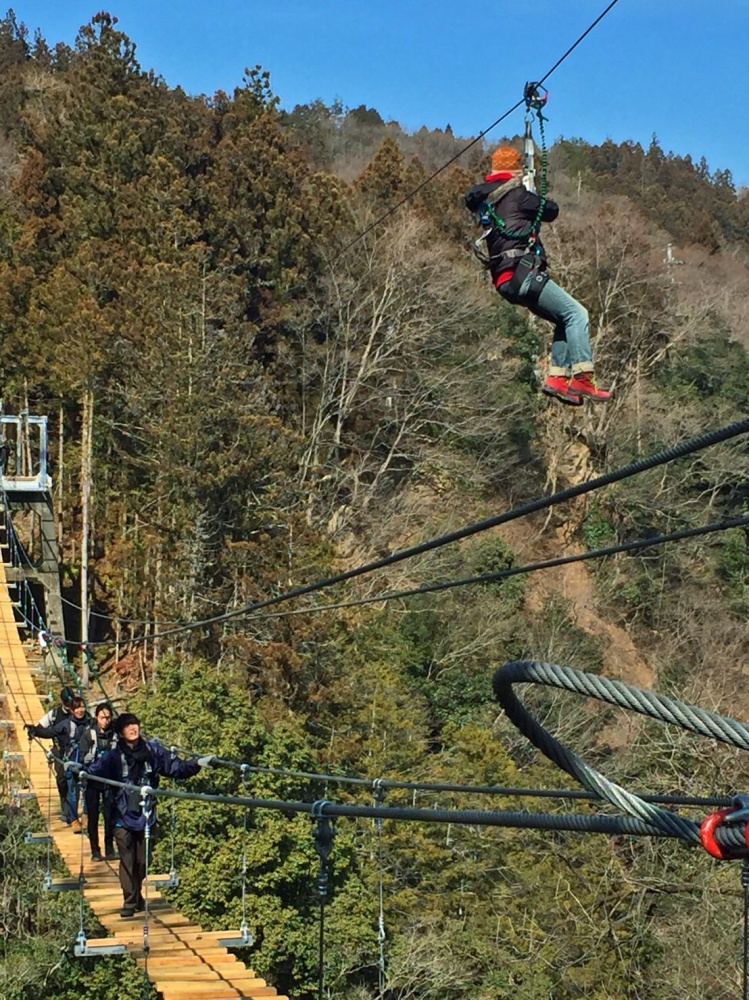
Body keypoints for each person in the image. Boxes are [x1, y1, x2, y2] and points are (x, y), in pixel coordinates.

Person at [465, 145, 611, 406]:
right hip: (522, 273)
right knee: (577, 314)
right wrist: (531, 191)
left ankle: (557, 378)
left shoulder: (485, 201)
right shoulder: (519, 196)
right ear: (516, 170)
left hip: (504, 280)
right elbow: (552, 211)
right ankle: (582, 377)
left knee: (563, 319)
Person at [85, 712, 215, 917]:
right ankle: (130, 901)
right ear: (120, 732)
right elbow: (94, 772)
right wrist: (78, 771)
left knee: (144, 861)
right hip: (122, 815)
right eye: (128, 726)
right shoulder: (113, 756)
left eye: (135, 724)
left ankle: (136, 893)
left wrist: (197, 763)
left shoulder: (152, 751)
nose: (133, 728)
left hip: (146, 814)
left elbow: (175, 768)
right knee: (127, 859)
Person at [28, 696, 92, 832]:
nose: (80, 710)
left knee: (87, 791)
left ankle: (86, 816)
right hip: (71, 762)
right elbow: (49, 732)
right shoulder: (66, 724)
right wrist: (35, 730)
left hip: (87, 762)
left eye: (82, 707)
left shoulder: (91, 723)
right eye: (77, 708)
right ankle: (74, 819)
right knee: (73, 792)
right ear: (72, 710)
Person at [79, 702, 117, 861]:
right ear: (96, 718)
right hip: (92, 780)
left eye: (108, 718)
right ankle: (95, 850)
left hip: (109, 780)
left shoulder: (115, 735)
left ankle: (109, 847)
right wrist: (85, 760)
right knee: (93, 816)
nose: (106, 721)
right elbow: (81, 757)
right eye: (102, 718)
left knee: (110, 815)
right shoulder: (89, 735)